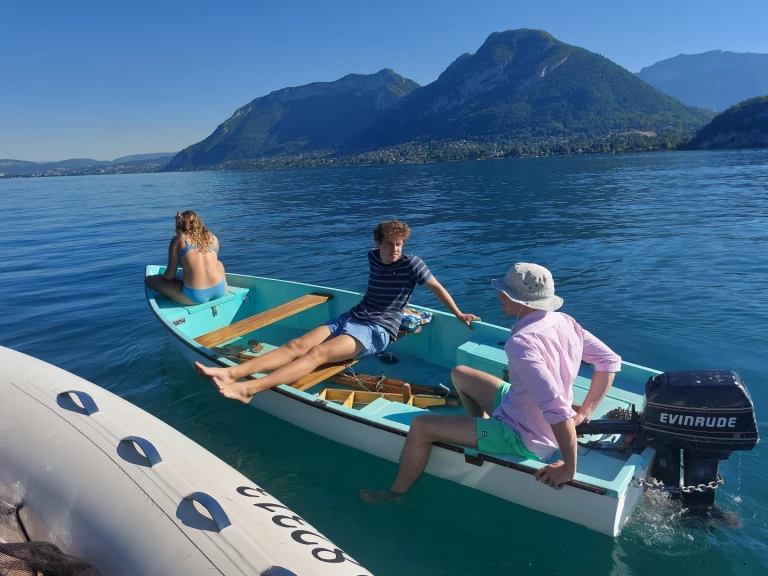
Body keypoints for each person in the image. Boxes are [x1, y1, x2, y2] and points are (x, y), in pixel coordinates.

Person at [361, 262, 621, 502]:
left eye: (506, 292)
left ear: (522, 301)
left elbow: (558, 411)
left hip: (525, 436)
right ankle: (483, 430)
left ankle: (394, 494)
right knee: (460, 373)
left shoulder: (522, 344)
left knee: (420, 427)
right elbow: (608, 361)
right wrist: (585, 412)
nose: (499, 296)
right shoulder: (564, 321)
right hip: (521, 407)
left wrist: (568, 469)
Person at [195, 219, 480, 402]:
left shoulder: (412, 264)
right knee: (297, 345)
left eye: (400, 245)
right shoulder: (373, 257)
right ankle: (232, 374)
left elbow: (436, 287)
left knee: (316, 354)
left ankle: (249, 389)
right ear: (378, 244)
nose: (395, 249)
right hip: (353, 316)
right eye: (390, 244)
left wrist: (459, 313)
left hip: (377, 330)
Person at [145, 211, 227, 305]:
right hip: (220, 289)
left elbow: (170, 275)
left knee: (149, 280)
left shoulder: (179, 240)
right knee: (218, 263)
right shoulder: (213, 238)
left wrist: (161, 277)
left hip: (195, 296)